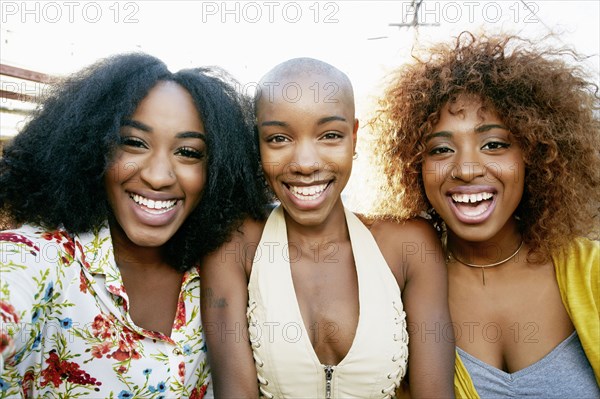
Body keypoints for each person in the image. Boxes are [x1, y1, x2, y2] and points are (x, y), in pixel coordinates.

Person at [0, 53, 268, 397]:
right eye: (134, 143)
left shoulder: (221, 262)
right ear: (93, 147)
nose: (158, 176)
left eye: (188, 152)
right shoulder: (42, 257)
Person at [200, 57, 455, 398]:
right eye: (278, 139)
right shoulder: (235, 246)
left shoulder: (409, 245)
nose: (305, 163)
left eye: (330, 135)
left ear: (354, 137)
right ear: (257, 144)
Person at [370, 32, 600, 398]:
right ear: (415, 166)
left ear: (534, 154)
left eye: (494, 144)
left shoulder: (592, 274)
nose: (466, 169)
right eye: (441, 149)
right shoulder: (396, 293)